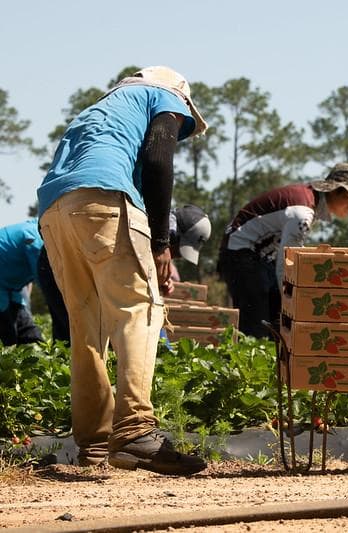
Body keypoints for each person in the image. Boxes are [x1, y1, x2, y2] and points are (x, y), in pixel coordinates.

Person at [36, 66, 209, 474]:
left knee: (87, 326)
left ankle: (95, 444)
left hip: (54, 210)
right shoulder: (163, 96)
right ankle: (134, 431)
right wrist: (160, 244)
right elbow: (158, 158)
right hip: (103, 198)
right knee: (140, 310)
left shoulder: (100, 109)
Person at [217, 163, 348, 338]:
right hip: (240, 253)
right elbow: (287, 263)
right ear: (335, 191)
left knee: (277, 319)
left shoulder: (310, 202)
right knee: (257, 323)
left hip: (259, 256)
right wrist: (294, 302)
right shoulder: (302, 213)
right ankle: (246, 352)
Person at [38, 204, 212, 343]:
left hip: (73, 256)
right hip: (59, 258)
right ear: (173, 234)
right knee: (77, 335)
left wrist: (157, 279)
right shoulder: (143, 225)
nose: (174, 257)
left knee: (86, 337)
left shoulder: (156, 237)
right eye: (176, 250)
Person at [0, 219, 45, 346]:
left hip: (12, 287)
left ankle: (42, 355)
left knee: (28, 331)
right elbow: (43, 277)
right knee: (8, 336)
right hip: (4, 288)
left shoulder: (37, 227)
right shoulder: (35, 236)